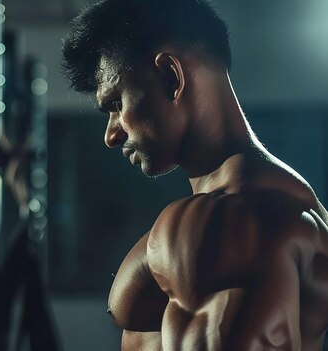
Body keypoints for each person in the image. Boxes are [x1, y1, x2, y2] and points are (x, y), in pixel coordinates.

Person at [61, 0, 328, 349]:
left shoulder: (223, 222)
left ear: (170, 76)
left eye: (116, 104)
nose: (111, 134)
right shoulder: (297, 206)